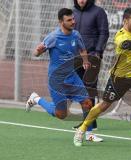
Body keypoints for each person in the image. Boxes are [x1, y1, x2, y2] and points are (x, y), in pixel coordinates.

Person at [73, 7, 131, 147]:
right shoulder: (120, 36)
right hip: (119, 79)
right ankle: (82, 129)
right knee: (104, 105)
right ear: (125, 21)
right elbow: (128, 45)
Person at [25, 8, 96, 138]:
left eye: (73, 19)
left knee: (87, 103)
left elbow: (82, 49)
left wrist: (85, 61)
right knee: (61, 114)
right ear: (61, 22)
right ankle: (36, 99)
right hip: (57, 81)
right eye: (69, 20)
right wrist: (39, 51)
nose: (73, 22)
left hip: (72, 77)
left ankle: (89, 134)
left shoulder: (76, 35)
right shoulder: (53, 37)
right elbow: (36, 53)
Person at [72, 0, 109, 138]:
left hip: (92, 56)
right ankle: (87, 122)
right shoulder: (73, 13)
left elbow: (104, 33)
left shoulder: (98, 12)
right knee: (79, 90)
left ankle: (88, 126)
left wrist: (98, 52)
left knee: (89, 90)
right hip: (75, 57)